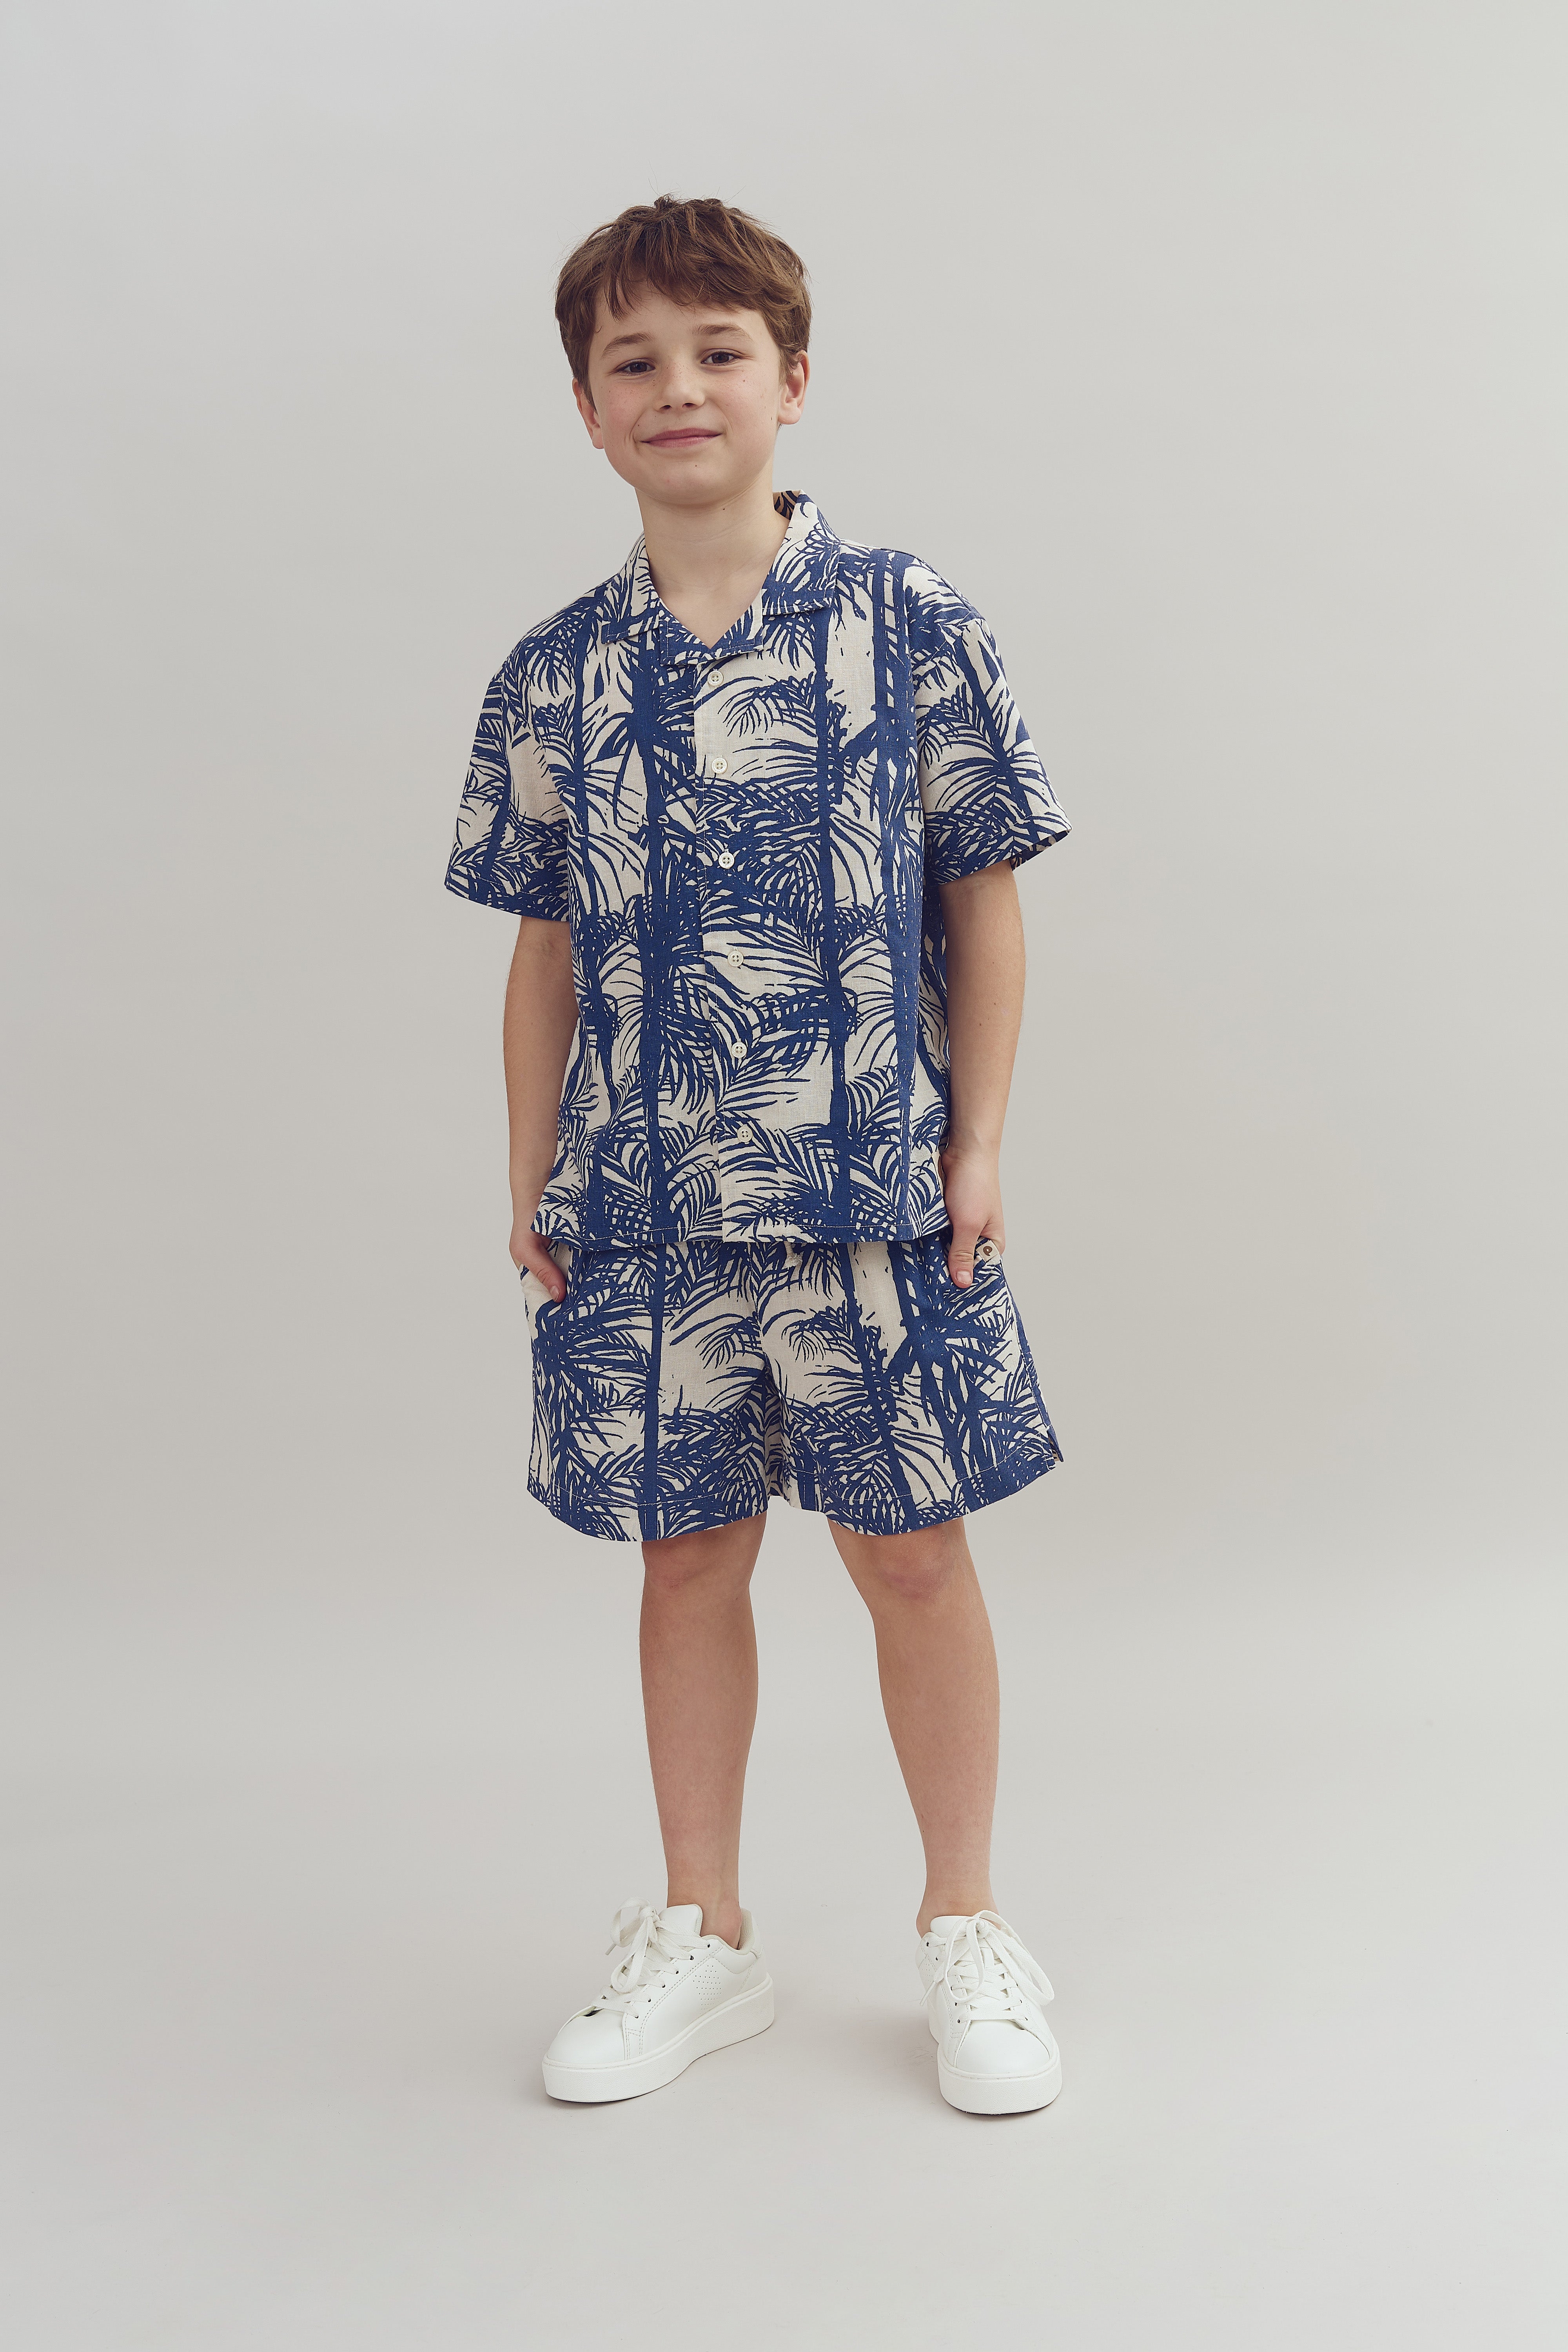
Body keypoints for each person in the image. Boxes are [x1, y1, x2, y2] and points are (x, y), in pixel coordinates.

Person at [446, 195, 1071, 2116]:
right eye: (632, 361)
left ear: (791, 382)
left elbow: (986, 901)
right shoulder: (553, 675)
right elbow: (542, 953)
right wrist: (536, 1171)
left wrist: (976, 1144)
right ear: (586, 409)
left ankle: (967, 1922)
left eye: (717, 352)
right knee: (684, 1557)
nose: (678, 388)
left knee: (907, 1557)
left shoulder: (908, 621)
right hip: (641, 1217)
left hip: (875, 1193)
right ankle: (701, 1933)